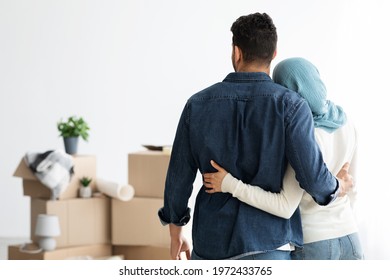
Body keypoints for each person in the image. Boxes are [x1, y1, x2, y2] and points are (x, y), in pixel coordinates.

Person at [158, 12, 353, 260]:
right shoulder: (291, 106)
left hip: (212, 245)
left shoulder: (196, 105)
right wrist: (339, 187)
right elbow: (314, 178)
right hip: (270, 246)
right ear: (273, 54)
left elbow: (178, 177)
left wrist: (176, 231)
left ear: (236, 52)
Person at [203, 57, 363, 260]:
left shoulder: (303, 135)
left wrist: (230, 184)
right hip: (351, 236)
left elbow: (284, 205)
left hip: (315, 242)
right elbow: (353, 188)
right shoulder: (346, 122)